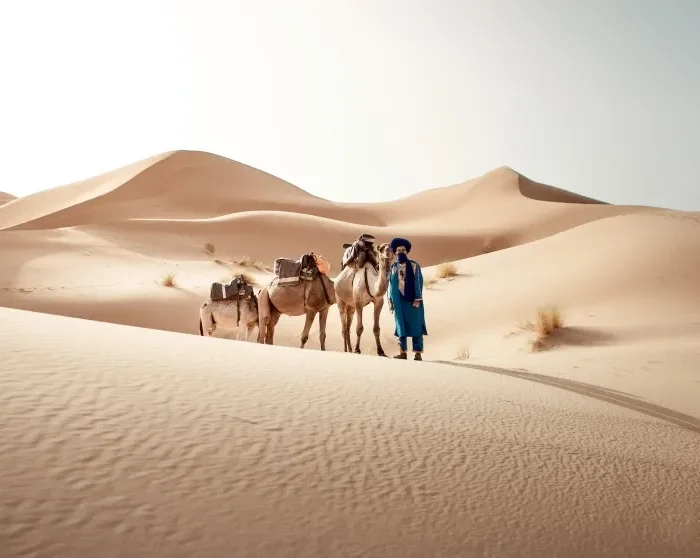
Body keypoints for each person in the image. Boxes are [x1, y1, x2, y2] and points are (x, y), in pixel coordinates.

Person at [387, 237, 427, 360]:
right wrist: (390, 300)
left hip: (413, 301)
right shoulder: (393, 267)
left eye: (403, 250)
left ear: (407, 251)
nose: (400, 252)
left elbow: (418, 282)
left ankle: (418, 353)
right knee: (401, 326)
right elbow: (390, 284)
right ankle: (402, 352)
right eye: (398, 250)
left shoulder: (415, 265)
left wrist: (417, 299)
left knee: (416, 325)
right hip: (398, 301)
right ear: (395, 252)